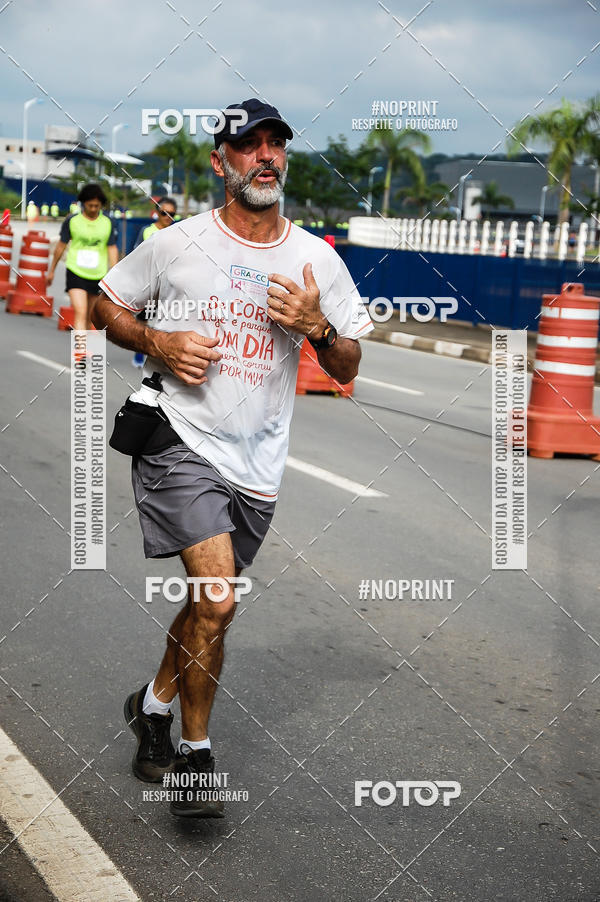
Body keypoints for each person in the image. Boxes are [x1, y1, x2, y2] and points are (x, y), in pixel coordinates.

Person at [93, 97, 373, 819]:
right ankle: (196, 758)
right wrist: (158, 343)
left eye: (276, 144)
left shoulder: (316, 258)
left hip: (257, 465)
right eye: (249, 146)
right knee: (218, 598)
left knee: (205, 607)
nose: (266, 156)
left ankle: (152, 704)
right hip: (178, 439)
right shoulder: (179, 243)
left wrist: (318, 327)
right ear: (222, 162)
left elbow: (347, 366)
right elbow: (106, 304)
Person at [48, 184, 118, 332]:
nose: (93, 209)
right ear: (83, 203)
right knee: (80, 311)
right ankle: (80, 353)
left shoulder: (107, 223)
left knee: (92, 317)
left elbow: (111, 247)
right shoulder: (73, 221)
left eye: (96, 206)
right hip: (76, 271)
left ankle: (91, 352)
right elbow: (61, 245)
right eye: (90, 205)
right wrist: (52, 270)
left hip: (98, 274)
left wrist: (114, 273)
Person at [131, 197, 178, 367]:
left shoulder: (178, 233)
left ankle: (157, 355)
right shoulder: (147, 231)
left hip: (169, 285)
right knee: (144, 320)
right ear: (157, 213)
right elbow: (137, 256)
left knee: (163, 320)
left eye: (171, 214)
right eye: (164, 213)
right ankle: (139, 352)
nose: (167, 217)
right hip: (149, 284)